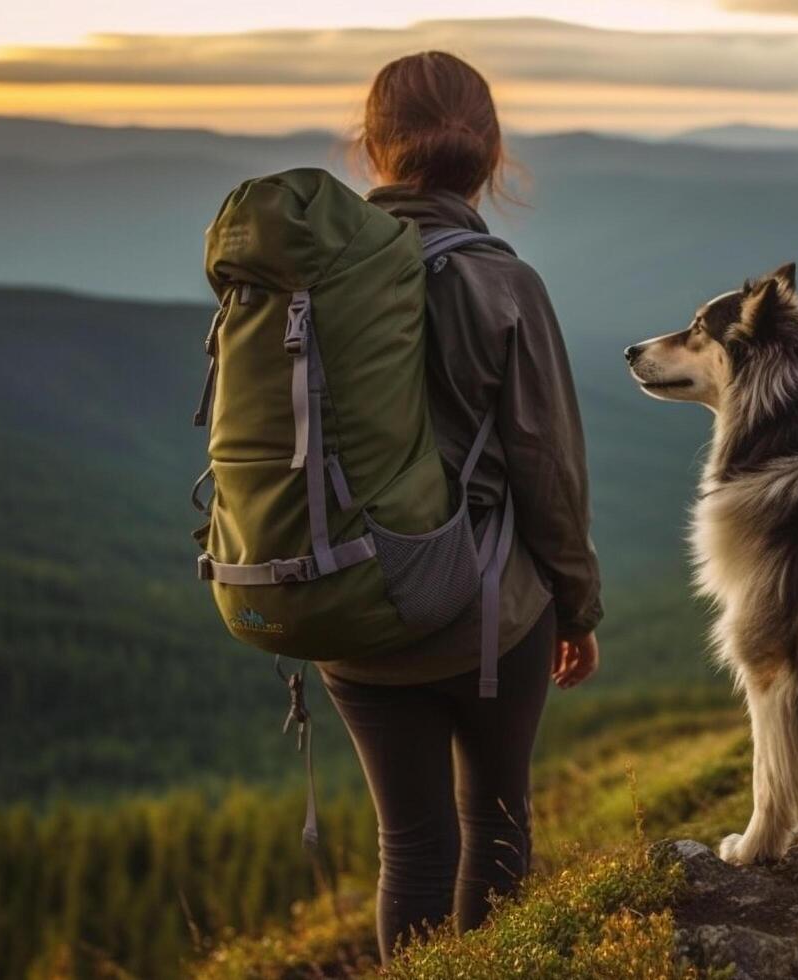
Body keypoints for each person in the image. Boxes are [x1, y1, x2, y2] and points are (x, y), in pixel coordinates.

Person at [317, 50, 603, 960]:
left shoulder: (312, 279)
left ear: (371, 146)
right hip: (488, 614)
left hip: (354, 609)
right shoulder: (504, 284)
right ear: (490, 153)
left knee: (411, 846)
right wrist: (576, 605)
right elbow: (548, 467)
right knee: (499, 823)